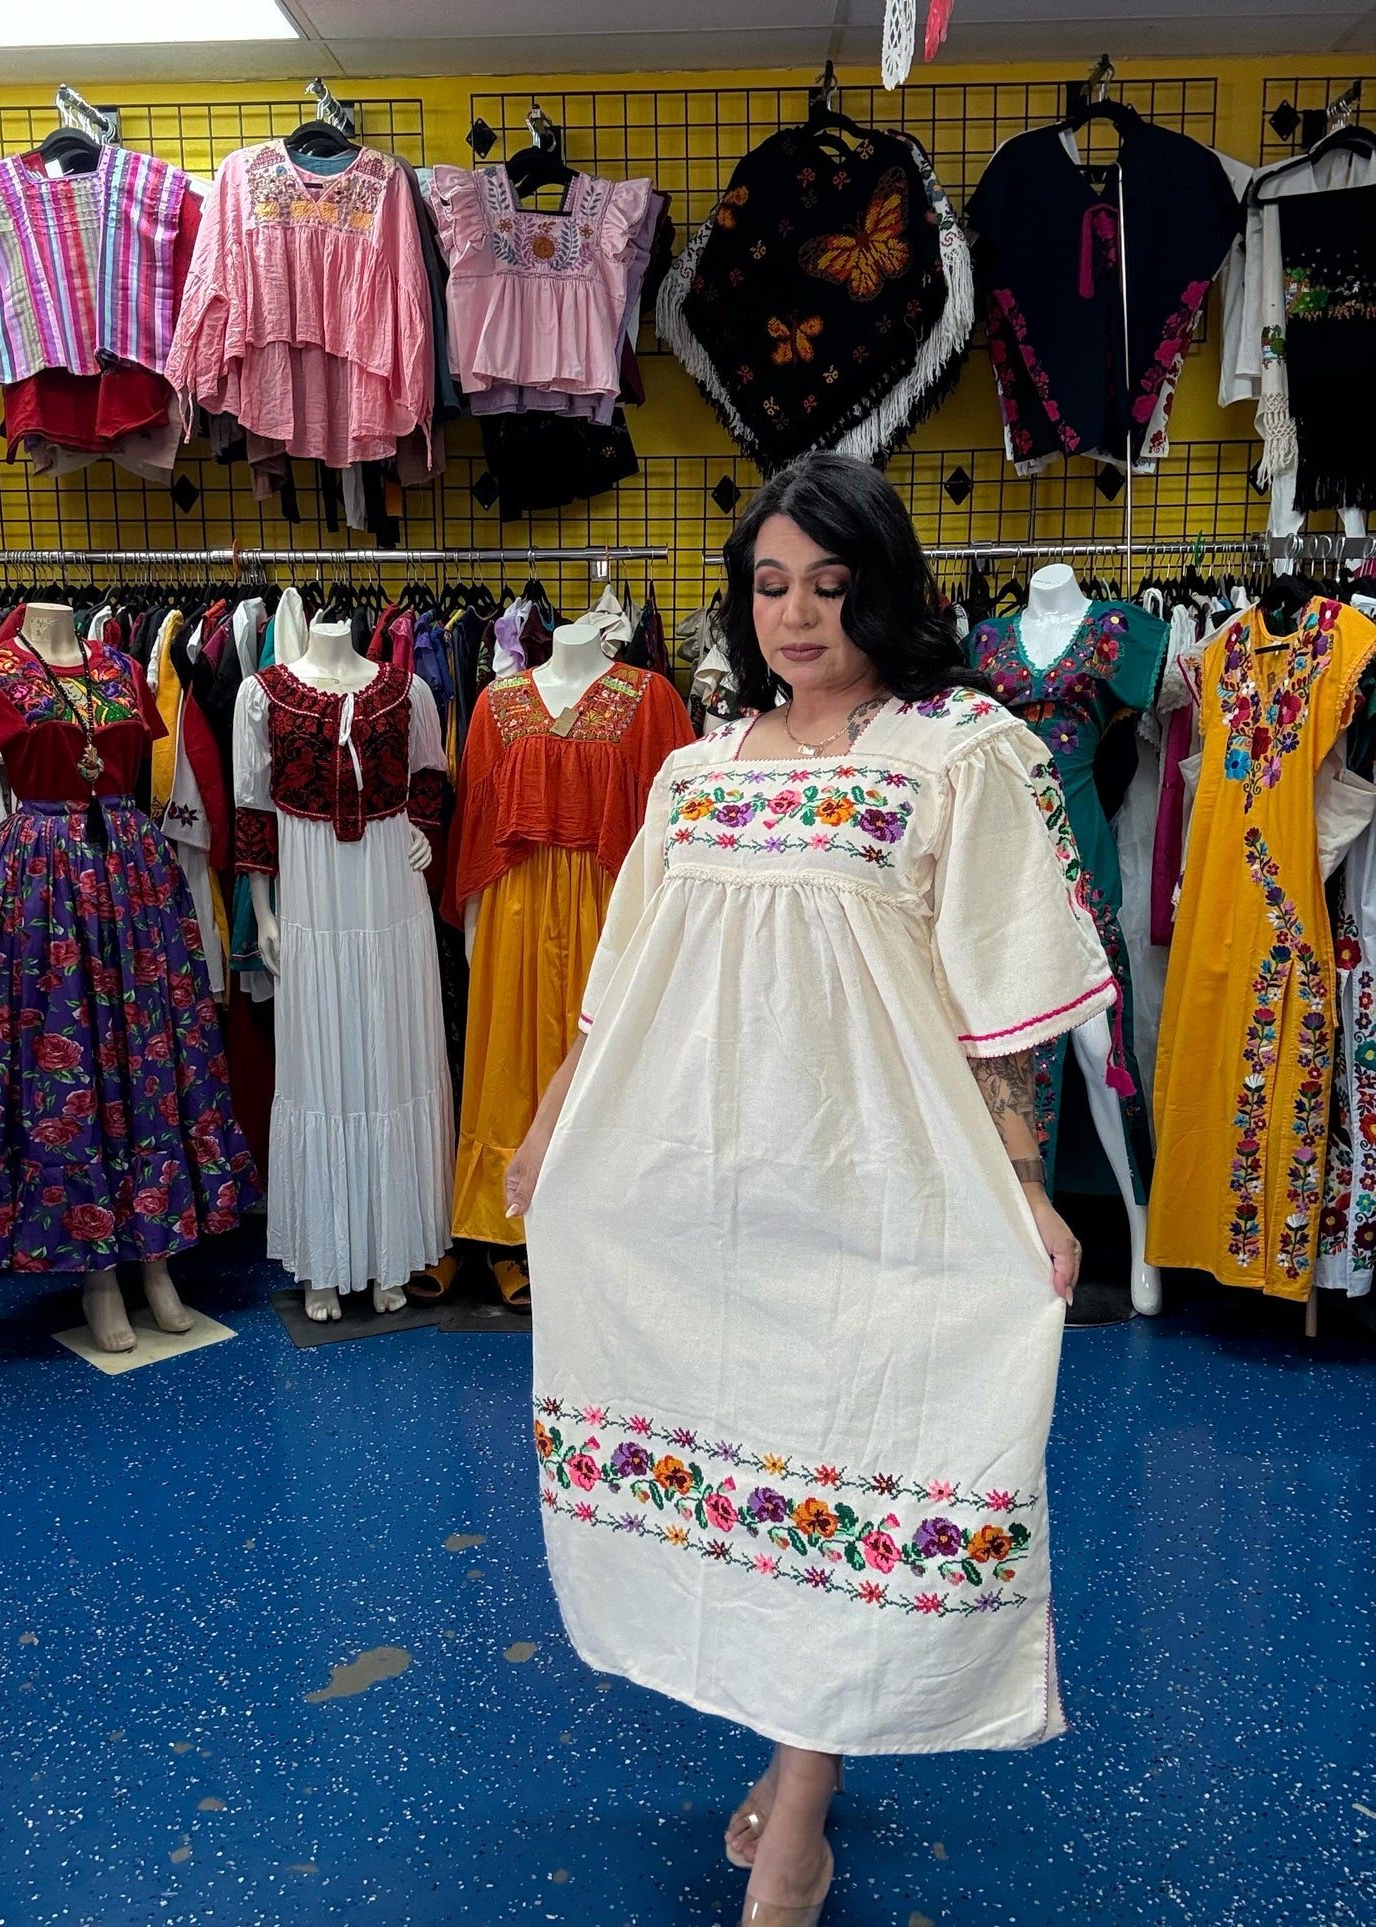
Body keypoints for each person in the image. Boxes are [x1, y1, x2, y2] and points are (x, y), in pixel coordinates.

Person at [507, 453, 1113, 1926]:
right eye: (771, 586)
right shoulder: (697, 769)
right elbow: (623, 983)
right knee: (749, 1468)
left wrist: (1027, 1189)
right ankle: (794, 1769)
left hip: (880, 1188)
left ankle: (798, 1820)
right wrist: (549, 1125)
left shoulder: (958, 752)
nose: (796, 615)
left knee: (857, 1452)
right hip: (699, 1188)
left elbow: (1001, 1005)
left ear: (881, 589)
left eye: (830, 586)